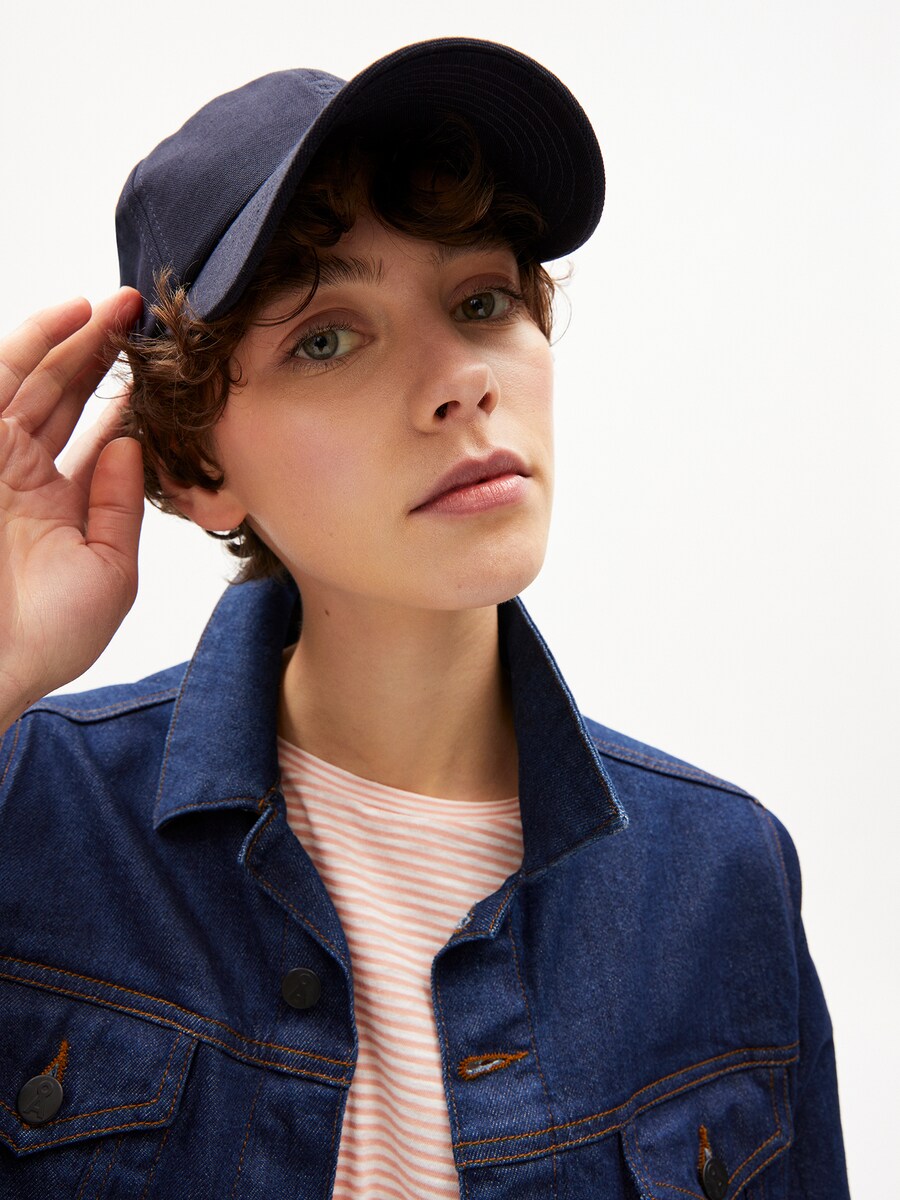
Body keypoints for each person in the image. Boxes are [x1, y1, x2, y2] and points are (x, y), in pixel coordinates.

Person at [0, 38, 849, 1199]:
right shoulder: (30, 810)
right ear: (195, 468)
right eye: (327, 337)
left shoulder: (722, 877)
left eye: (482, 300)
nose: (463, 379)